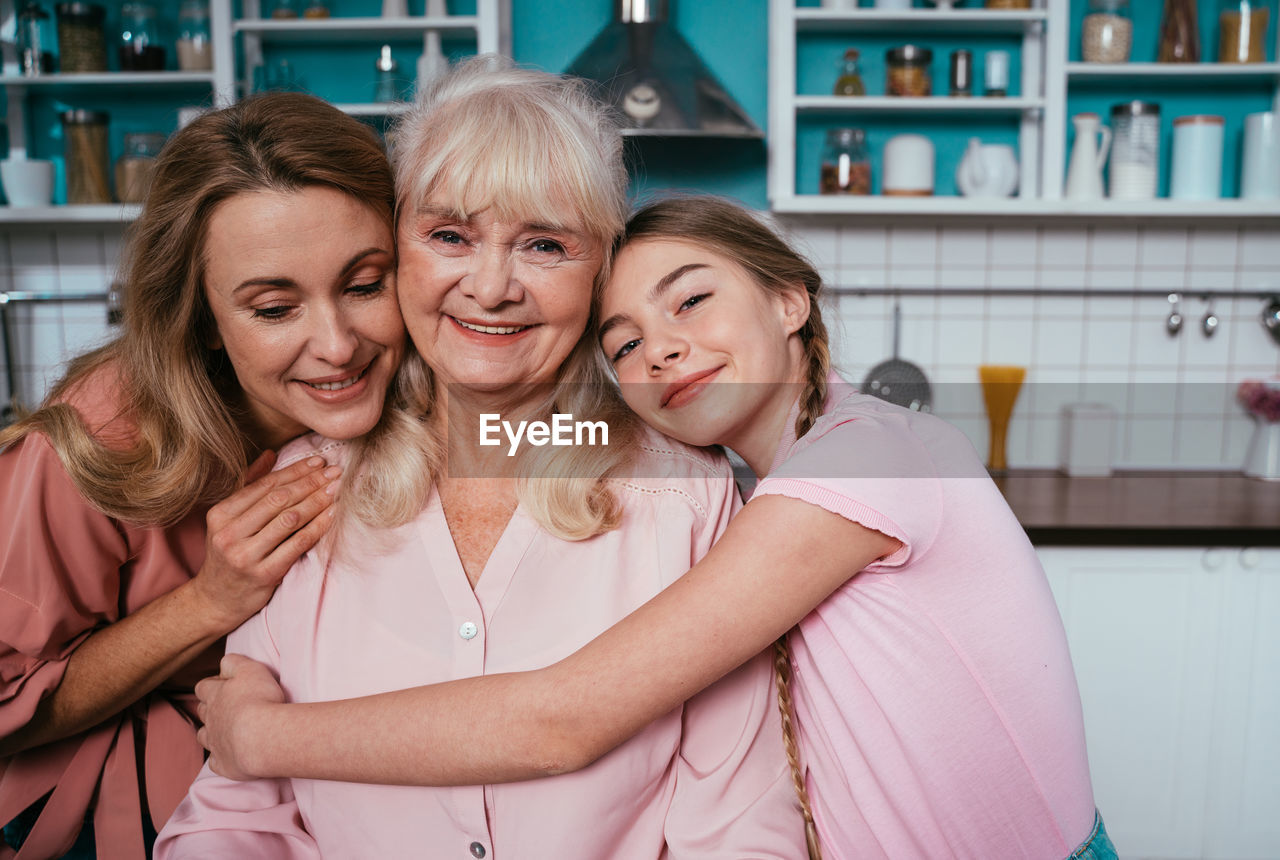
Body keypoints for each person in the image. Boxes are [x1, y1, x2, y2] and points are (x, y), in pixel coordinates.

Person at [191, 194, 1118, 860]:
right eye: (623, 343)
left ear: (790, 300)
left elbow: (564, 717)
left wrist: (259, 740)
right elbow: (538, 432)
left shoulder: (862, 459)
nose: (661, 347)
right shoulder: (759, 478)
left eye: (692, 299)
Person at [154, 62, 804, 859]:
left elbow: (743, 827)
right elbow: (235, 820)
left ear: (601, 270)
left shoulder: (688, 498)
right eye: (450, 236)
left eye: (544, 244)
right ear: (396, 246)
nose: (492, 288)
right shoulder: (306, 486)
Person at [0, 92, 405, 859]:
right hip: (109, 803)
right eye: (275, 308)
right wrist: (210, 602)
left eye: (363, 285)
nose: (338, 345)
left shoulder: (428, 393)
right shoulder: (103, 432)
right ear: (203, 321)